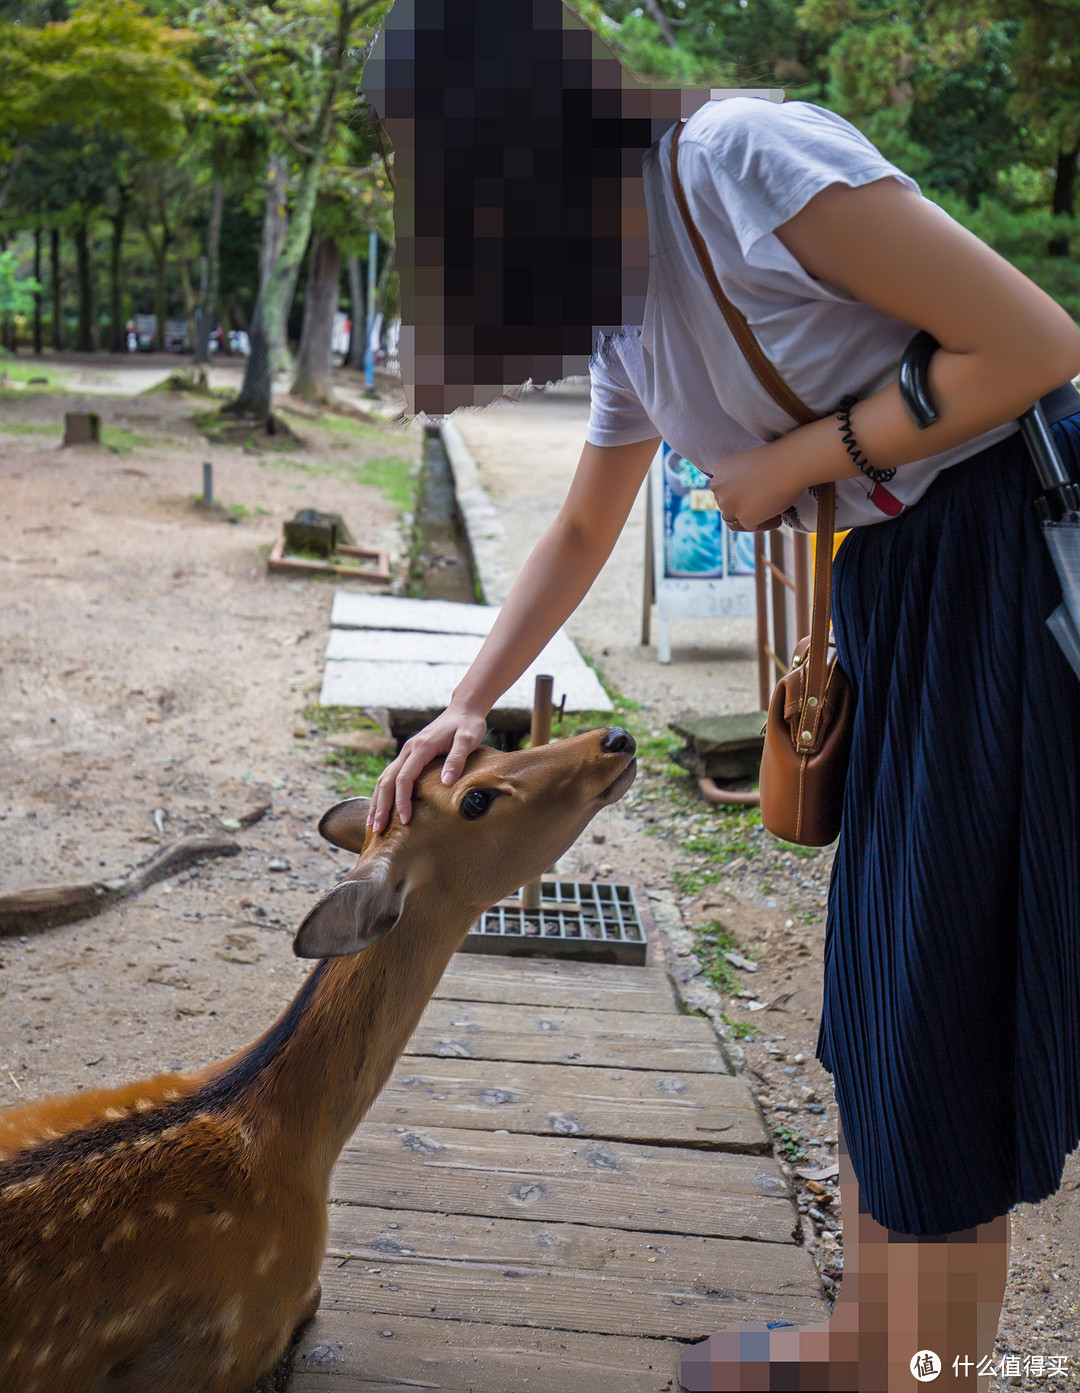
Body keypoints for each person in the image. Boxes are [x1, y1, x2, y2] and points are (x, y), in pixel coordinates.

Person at [367, 94, 1080, 1393]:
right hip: (891, 591)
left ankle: (928, 1370)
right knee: (872, 995)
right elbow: (581, 529)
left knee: (941, 1017)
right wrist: (468, 700)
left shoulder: (740, 159)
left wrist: (796, 460)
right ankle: (871, 1341)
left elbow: (1036, 342)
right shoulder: (615, 315)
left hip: (1001, 573)